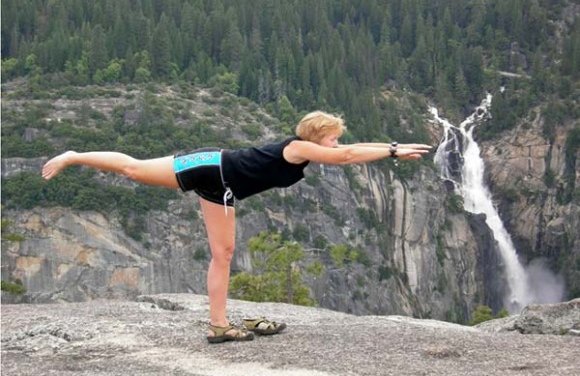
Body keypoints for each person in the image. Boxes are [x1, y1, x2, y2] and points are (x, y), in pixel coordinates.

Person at [42, 110, 431, 343]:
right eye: (332, 137)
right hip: (209, 165)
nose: (336, 142)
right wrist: (394, 150)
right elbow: (346, 156)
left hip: (223, 188)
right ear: (317, 137)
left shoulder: (307, 150)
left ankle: (218, 325)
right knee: (133, 169)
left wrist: (389, 148)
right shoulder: (296, 148)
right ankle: (75, 155)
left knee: (223, 254)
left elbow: (349, 148)